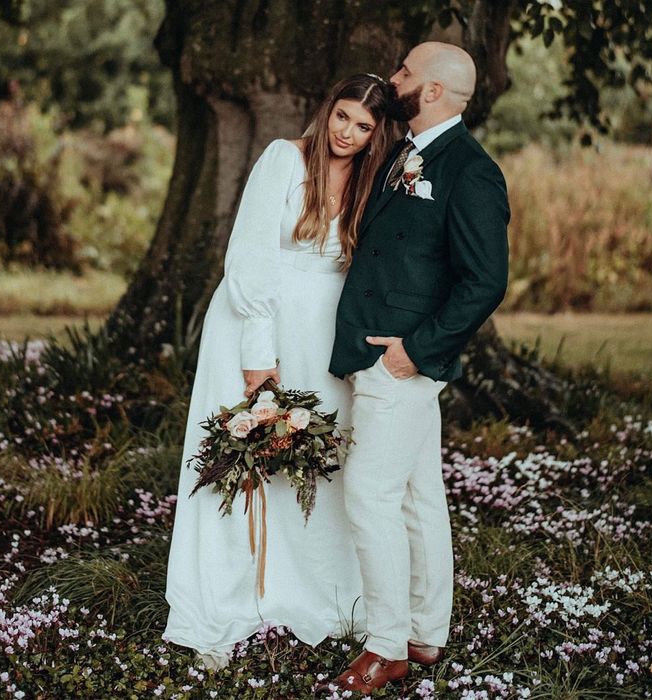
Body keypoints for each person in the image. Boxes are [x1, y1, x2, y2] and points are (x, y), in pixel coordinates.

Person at [163, 74, 394, 670]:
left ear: (376, 134)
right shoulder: (283, 159)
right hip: (256, 323)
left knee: (314, 457)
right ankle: (233, 592)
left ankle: (314, 591)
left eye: (363, 126)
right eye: (342, 117)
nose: (347, 133)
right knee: (245, 457)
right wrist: (258, 356)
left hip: (325, 336)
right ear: (328, 110)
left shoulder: (374, 179)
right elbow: (249, 258)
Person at [329, 42, 510, 694]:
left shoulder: (469, 170)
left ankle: (386, 648)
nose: (394, 77)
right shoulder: (405, 153)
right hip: (375, 353)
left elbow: (485, 279)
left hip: (400, 361)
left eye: (405, 71)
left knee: (370, 495)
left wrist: (417, 349)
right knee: (416, 497)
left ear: (431, 90)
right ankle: (426, 634)